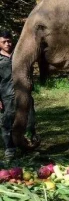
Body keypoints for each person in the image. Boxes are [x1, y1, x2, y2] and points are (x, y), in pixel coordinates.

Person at [0, 30, 38, 161]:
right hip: (7, 96)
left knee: (30, 121)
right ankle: (10, 149)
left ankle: (30, 146)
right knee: (7, 123)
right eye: (4, 42)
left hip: (25, 95)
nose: (7, 44)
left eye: (9, 41)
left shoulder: (19, 54)